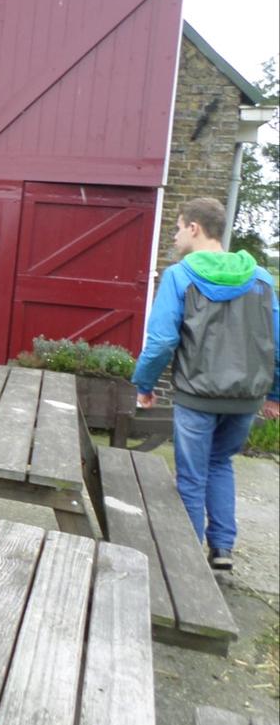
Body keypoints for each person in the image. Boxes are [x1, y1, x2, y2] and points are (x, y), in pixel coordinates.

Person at [131, 197, 279, 570]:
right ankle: (222, 551)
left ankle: (186, 565)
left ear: (194, 227)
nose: (176, 236)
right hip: (245, 398)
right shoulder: (261, 279)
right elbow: (276, 343)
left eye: (178, 227)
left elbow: (162, 341)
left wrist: (144, 384)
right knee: (220, 463)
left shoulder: (180, 276)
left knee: (192, 477)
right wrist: (274, 393)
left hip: (197, 397)